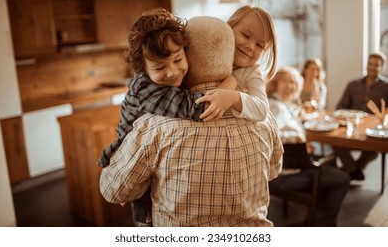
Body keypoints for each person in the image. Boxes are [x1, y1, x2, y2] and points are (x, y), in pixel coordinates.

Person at [99, 15, 283, 227]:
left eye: (178, 60)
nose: (172, 71)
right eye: (160, 67)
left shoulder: (156, 127)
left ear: (187, 53)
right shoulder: (265, 118)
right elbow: (271, 172)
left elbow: (113, 190)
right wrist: (233, 83)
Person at [267, 66, 350, 227]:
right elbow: (271, 135)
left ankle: (316, 217)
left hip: (289, 169)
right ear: (275, 83)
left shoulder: (284, 105)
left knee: (331, 167)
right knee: (343, 179)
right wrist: (299, 140)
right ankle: (321, 223)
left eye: (293, 82)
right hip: (284, 175)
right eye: (286, 81)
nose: (290, 86)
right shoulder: (276, 107)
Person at [196, 5, 278, 123]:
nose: (250, 46)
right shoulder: (210, 54)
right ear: (228, 27)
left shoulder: (252, 72)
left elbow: (262, 109)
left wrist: (233, 98)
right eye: (245, 35)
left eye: (260, 45)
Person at [335, 52, 388, 180]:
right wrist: (347, 118)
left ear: (382, 68)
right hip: (352, 127)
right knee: (336, 143)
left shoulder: (386, 87)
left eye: (376, 65)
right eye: (370, 64)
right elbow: (340, 107)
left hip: (373, 130)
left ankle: (353, 169)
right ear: (366, 65)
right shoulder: (353, 84)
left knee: (374, 149)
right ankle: (354, 171)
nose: (372, 67)